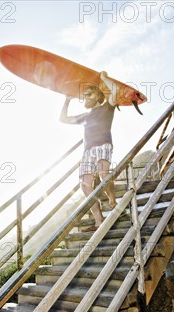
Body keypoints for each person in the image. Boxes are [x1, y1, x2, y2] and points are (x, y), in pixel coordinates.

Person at [60, 71, 119, 232]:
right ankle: (99, 221)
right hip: (87, 151)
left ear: (97, 96)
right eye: (84, 95)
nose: (85, 97)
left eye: (88, 94)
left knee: (103, 173)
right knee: (85, 185)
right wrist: (67, 100)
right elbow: (63, 119)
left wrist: (105, 78)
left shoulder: (107, 107)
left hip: (103, 146)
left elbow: (116, 91)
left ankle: (112, 199)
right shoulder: (85, 116)